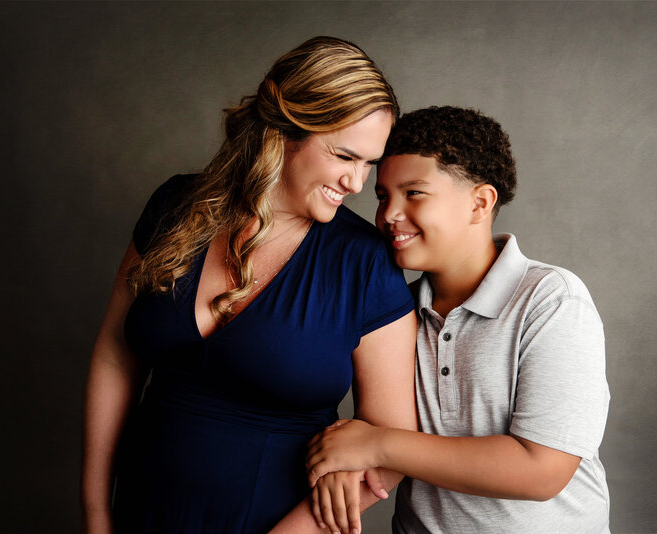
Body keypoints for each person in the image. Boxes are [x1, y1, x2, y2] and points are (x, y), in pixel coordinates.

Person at [81, 36, 418, 534]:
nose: (356, 184)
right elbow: (115, 354)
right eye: (346, 156)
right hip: (141, 515)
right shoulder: (175, 205)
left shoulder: (364, 260)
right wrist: (95, 512)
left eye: (369, 163)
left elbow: (394, 443)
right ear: (286, 130)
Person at [306, 106, 611, 533]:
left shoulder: (550, 299)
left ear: (479, 203)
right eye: (382, 196)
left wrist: (375, 445)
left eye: (413, 193)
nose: (389, 214)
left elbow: (541, 471)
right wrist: (351, 455)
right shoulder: (392, 314)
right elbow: (373, 432)